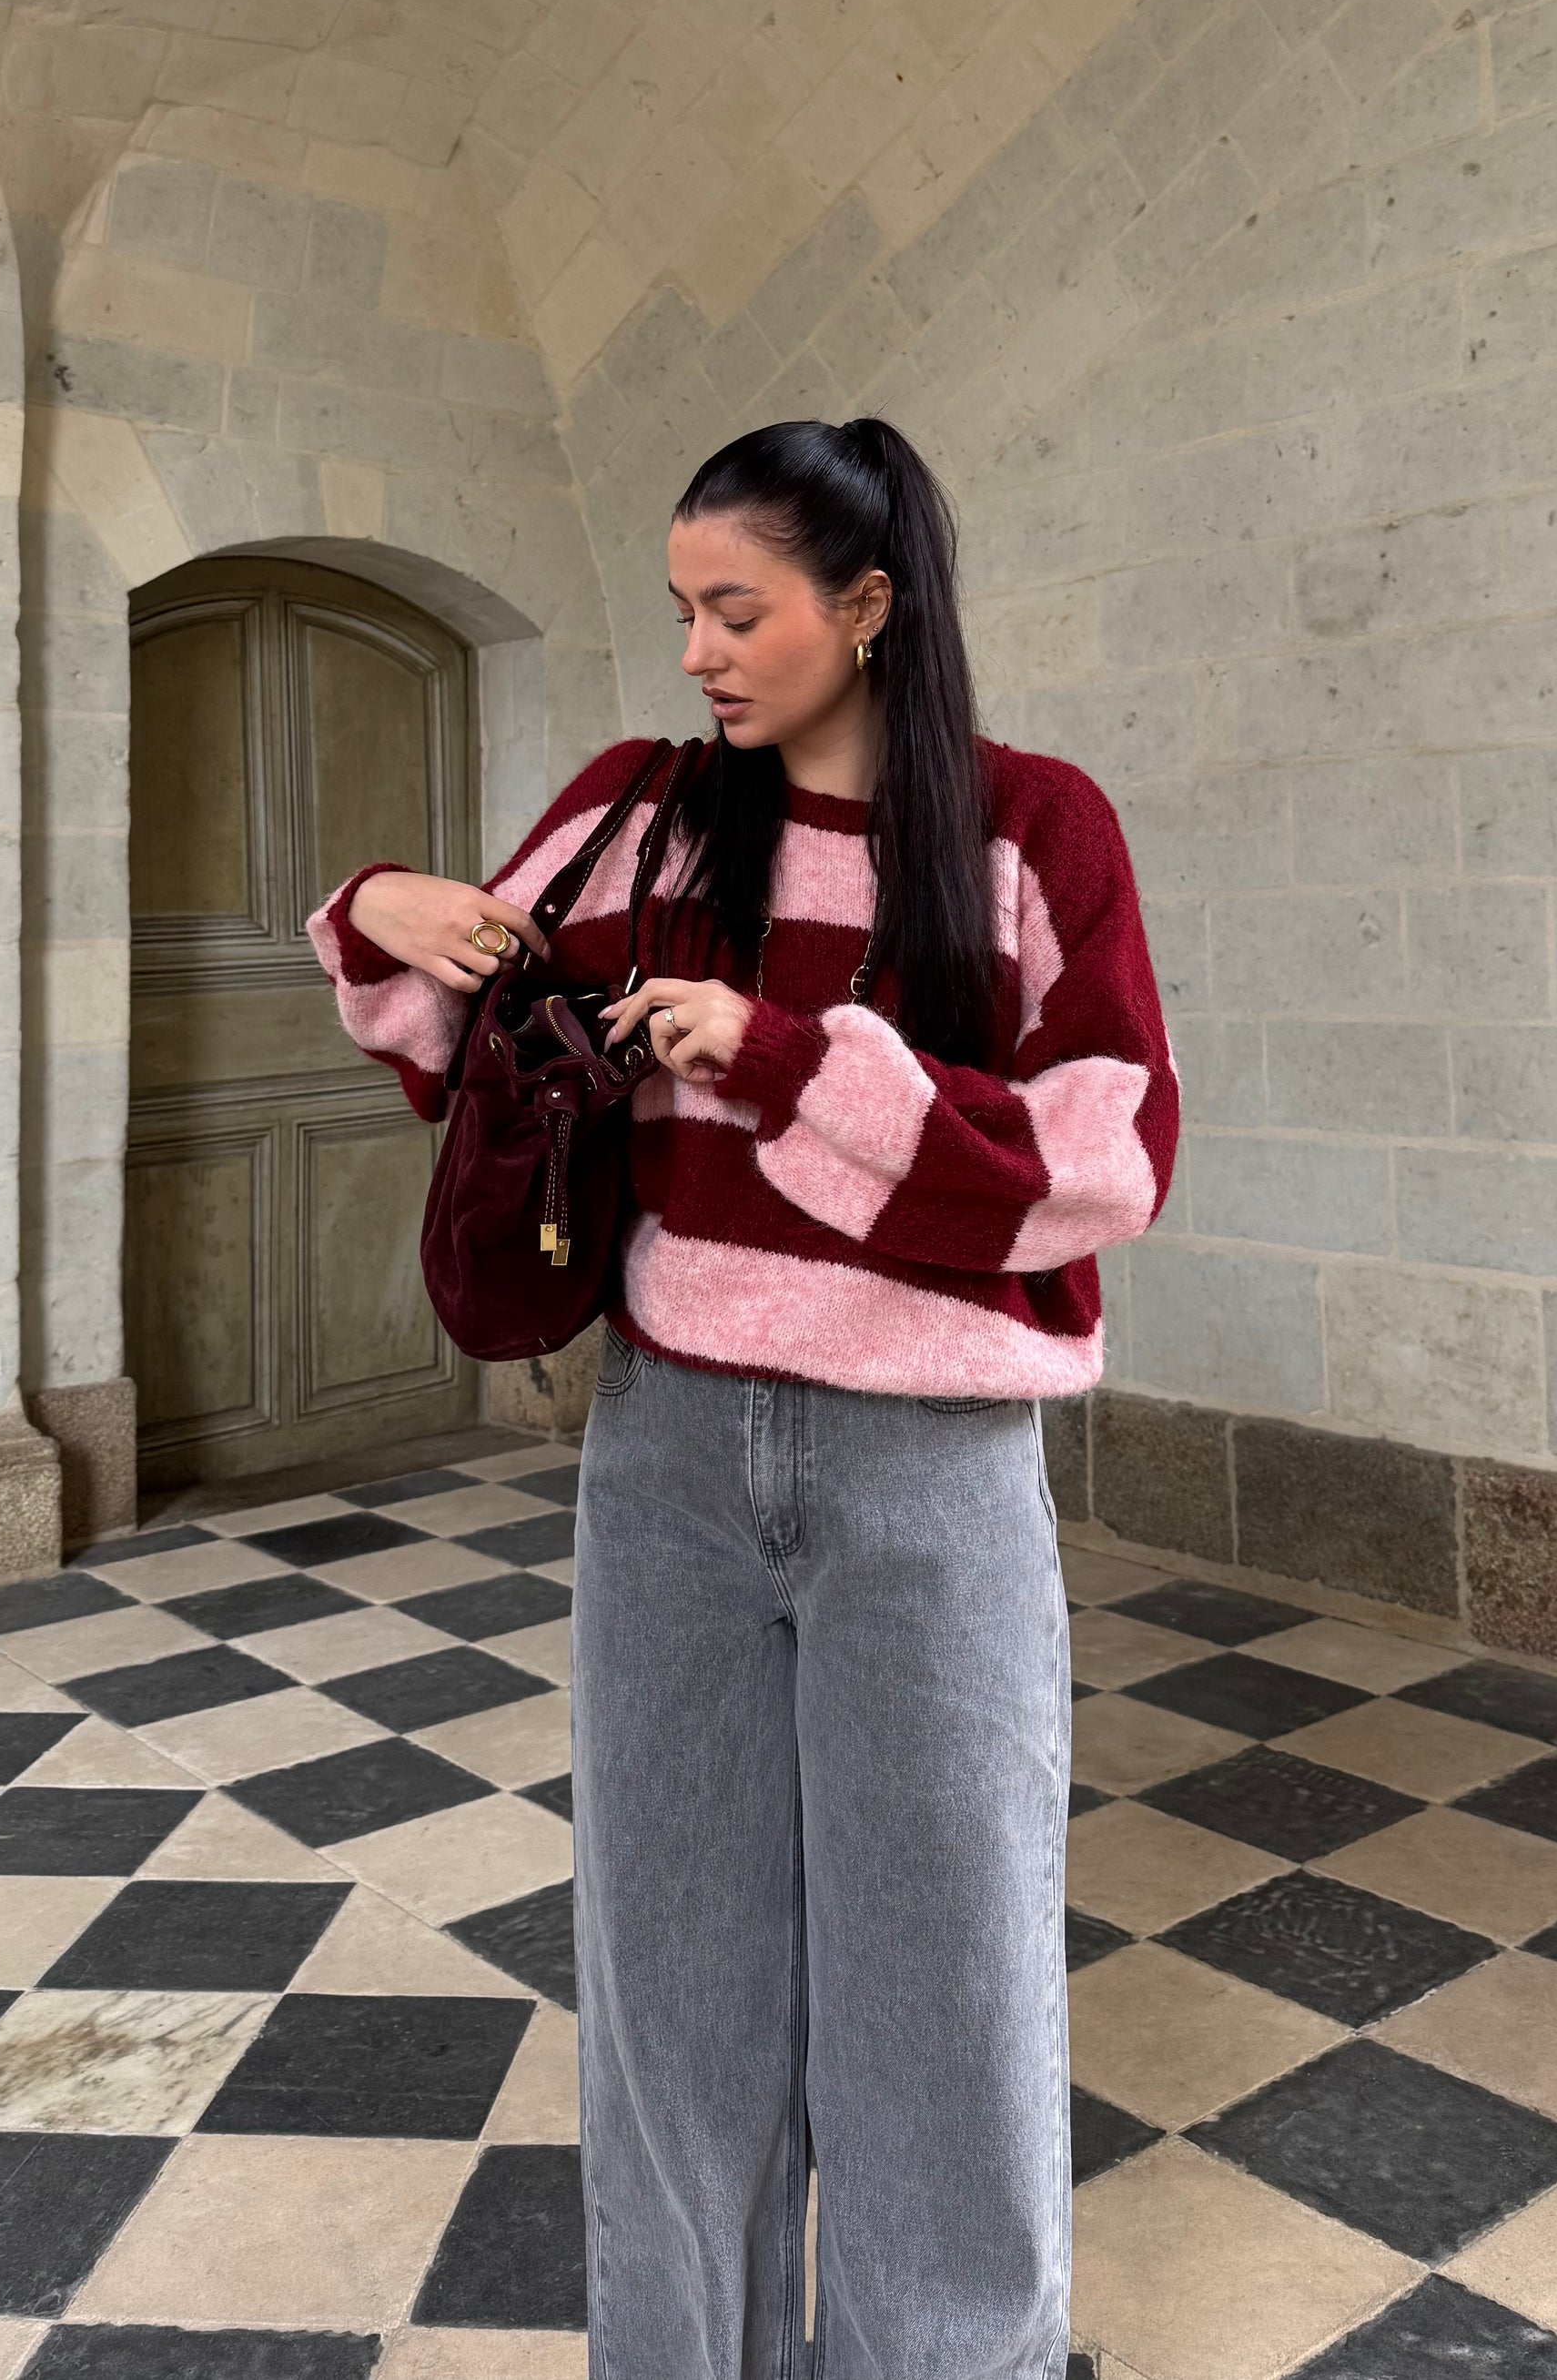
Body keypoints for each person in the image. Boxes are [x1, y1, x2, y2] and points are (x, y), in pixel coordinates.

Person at [308, 417, 1178, 2380]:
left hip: (928, 1473)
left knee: (943, 1991)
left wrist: (789, 1055)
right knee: (671, 1989)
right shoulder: (643, 811)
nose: (696, 649)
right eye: (680, 607)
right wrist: (378, 905)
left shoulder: (1032, 831)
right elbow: (451, 1022)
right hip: (672, 1455)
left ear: (866, 607)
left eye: (736, 608)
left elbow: (1104, 1159)